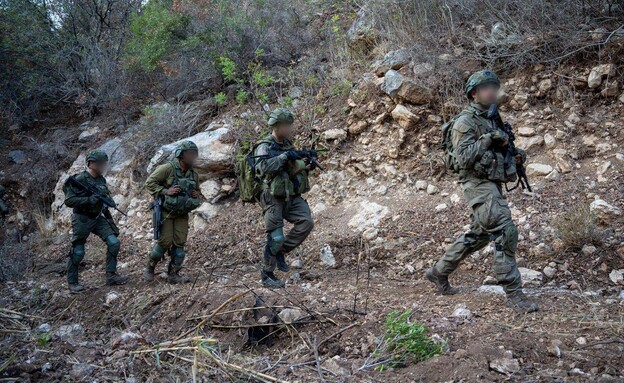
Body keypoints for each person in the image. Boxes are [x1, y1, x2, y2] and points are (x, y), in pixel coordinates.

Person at [426, 70, 538, 313]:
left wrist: (515, 154)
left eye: (494, 87)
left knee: (479, 235)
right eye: (486, 88)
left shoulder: (491, 118)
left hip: (491, 183)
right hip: (477, 184)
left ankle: (438, 272)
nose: (492, 92)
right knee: (504, 231)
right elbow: (465, 158)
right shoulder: (465, 122)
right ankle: (514, 294)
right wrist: (488, 138)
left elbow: (496, 151)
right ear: (474, 93)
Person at [253, 108, 315, 288]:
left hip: (290, 194)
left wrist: (304, 164)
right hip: (272, 196)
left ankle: (280, 252)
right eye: (286, 125)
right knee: (277, 237)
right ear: (277, 126)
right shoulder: (264, 146)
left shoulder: (288, 144)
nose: (289, 129)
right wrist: (284, 156)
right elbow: (262, 167)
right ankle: (267, 274)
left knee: (306, 222)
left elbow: (290, 168)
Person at [63, 150, 128, 293]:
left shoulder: (101, 180)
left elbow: (103, 198)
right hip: (82, 218)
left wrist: (108, 203)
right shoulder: (80, 179)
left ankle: (111, 276)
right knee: (78, 251)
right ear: (91, 164)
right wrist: (88, 200)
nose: (103, 166)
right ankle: (73, 283)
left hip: (97, 217)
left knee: (114, 242)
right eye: (100, 163)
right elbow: (68, 201)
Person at [144, 141, 201, 284]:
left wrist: (195, 194)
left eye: (195, 154)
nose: (193, 157)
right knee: (164, 242)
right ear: (180, 155)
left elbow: (198, 192)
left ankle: (174, 275)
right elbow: (150, 183)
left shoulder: (193, 174)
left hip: (182, 213)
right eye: (190, 154)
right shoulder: (167, 168)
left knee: (180, 246)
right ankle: (150, 267)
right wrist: (165, 191)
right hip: (165, 212)